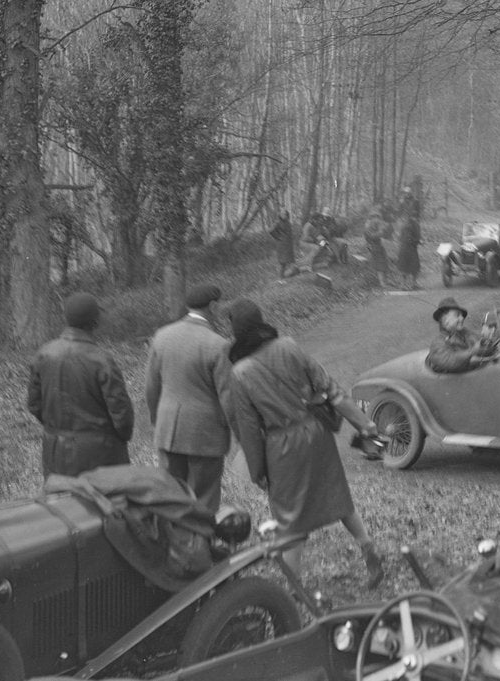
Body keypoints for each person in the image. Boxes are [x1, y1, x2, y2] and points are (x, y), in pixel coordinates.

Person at [225, 297, 385, 588]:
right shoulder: (289, 346)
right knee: (337, 496)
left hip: (282, 446)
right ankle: (369, 549)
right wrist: (364, 423)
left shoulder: (240, 373)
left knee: (290, 520)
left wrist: (257, 470)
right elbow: (331, 389)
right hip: (316, 434)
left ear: (235, 331)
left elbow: (248, 428)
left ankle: (293, 591)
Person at [145, 284, 235, 514]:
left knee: (171, 495)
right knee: (204, 497)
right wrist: (236, 430)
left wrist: (157, 420)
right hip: (203, 434)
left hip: (167, 431)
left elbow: (151, 387)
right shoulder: (218, 345)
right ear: (213, 306)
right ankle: (200, 544)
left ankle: (172, 543)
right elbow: (228, 397)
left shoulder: (162, 336)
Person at [27, 292, 135, 478]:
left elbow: (34, 404)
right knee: (101, 504)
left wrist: (57, 429)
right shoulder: (101, 360)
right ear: (94, 322)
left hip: (55, 451)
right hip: (100, 453)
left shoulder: (43, 354)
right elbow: (121, 413)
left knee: (61, 503)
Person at [426, 297, 499, 373]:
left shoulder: (464, 332)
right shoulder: (438, 343)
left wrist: (487, 339)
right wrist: (473, 351)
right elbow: (449, 361)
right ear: (445, 320)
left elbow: (479, 343)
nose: (462, 318)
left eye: (461, 315)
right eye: (457, 315)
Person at [363, 206, 393, 287]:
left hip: (379, 246)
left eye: (377, 217)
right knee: (379, 264)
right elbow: (372, 236)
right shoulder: (368, 227)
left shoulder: (376, 226)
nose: (377, 219)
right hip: (373, 247)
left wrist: (384, 230)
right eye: (375, 217)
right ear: (371, 218)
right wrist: (381, 232)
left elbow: (385, 234)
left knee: (385, 263)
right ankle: (382, 282)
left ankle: (386, 281)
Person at [268, 209, 298, 279]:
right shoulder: (278, 222)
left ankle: (287, 274)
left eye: (286, 214)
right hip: (282, 245)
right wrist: (278, 237)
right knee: (282, 262)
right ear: (280, 215)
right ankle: (280, 278)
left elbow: (289, 232)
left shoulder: (288, 222)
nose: (284, 215)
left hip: (288, 245)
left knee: (289, 261)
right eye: (283, 214)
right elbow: (271, 230)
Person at [396, 210, 421, 289]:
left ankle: (410, 284)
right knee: (408, 267)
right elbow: (409, 238)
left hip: (408, 247)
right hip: (408, 248)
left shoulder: (409, 224)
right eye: (415, 217)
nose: (416, 219)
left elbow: (402, 237)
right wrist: (417, 241)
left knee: (411, 266)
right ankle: (406, 284)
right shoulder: (410, 225)